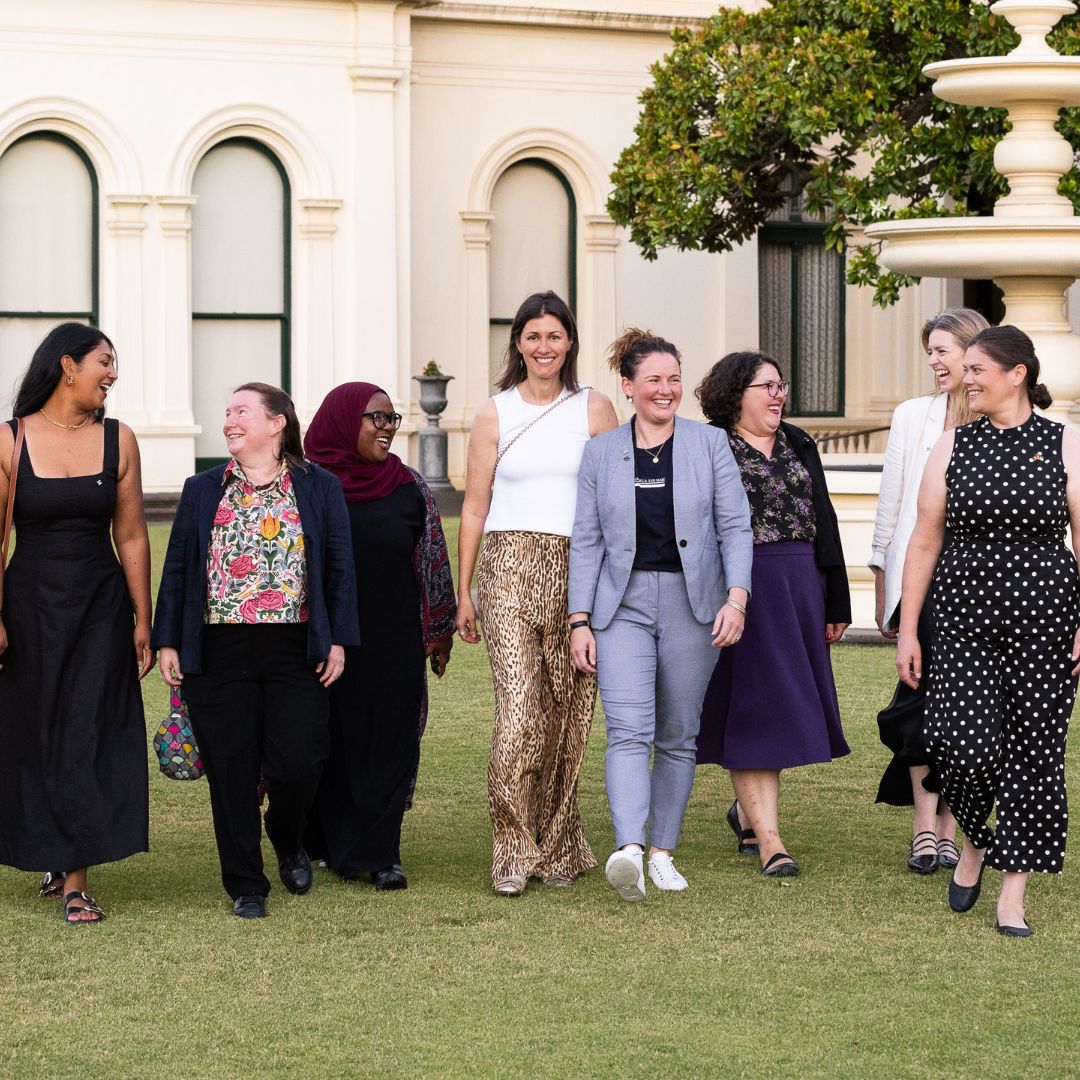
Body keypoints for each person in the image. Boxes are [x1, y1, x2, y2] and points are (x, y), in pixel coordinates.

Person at [897, 325, 1080, 938]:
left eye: (977, 369)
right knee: (962, 745)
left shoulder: (1065, 444)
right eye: (965, 368)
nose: (965, 378)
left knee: (1035, 754)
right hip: (964, 618)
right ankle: (975, 839)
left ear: (1017, 374)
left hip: (1046, 622)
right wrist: (908, 629)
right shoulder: (953, 445)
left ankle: (1012, 894)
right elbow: (925, 536)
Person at [152, 382, 358, 919]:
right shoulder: (203, 489)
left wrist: (337, 639)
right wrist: (168, 639)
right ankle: (246, 881)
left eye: (241, 411)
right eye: (226, 413)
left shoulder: (318, 487)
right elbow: (178, 567)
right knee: (231, 768)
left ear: (277, 424)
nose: (229, 421)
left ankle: (287, 839)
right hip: (219, 646)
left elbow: (338, 565)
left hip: (296, 645)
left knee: (300, 759)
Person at [568, 329, 752, 902]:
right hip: (619, 607)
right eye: (654, 380)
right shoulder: (601, 452)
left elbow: (735, 526)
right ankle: (628, 849)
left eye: (674, 379)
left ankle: (662, 852)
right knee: (627, 729)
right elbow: (587, 539)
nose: (666, 389)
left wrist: (737, 599)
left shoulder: (710, 445)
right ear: (629, 387)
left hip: (694, 603)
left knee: (677, 735)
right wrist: (579, 620)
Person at [456, 290, 618, 896]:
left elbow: (610, 504)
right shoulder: (494, 411)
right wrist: (465, 589)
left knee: (567, 715)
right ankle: (511, 849)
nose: (543, 347)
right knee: (519, 711)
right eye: (532, 336)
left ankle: (557, 845)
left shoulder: (595, 408)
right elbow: (474, 506)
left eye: (554, 336)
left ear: (569, 342)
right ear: (517, 344)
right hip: (507, 566)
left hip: (576, 567)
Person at [0, 323, 153, 924]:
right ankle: (51, 853)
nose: (112, 373)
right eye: (104, 362)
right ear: (67, 367)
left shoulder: (120, 439)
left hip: (99, 606)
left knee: (90, 729)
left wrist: (143, 617)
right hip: (30, 607)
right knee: (37, 730)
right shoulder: (11, 441)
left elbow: (133, 533)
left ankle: (75, 881)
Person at [695, 351, 851, 878]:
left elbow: (823, 518)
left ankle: (746, 811)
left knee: (782, 704)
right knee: (754, 708)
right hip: (740, 587)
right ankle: (771, 841)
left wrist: (836, 598)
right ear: (735, 394)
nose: (778, 394)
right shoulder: (709, 446)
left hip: (800, 584)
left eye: (780, 385)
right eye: (766, 386)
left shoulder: (799, 442)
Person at [302, 381, 456, 890]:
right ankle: (321, 840)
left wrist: (438, 630)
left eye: (393, 420)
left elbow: (432, 558)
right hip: (326, 640)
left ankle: (381, 851)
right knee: (329, 742)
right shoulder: (308, 486)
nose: (388, 429)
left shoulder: (408, 485)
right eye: (377, 418)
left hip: (394, 640)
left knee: (391, 741)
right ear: (345, 421)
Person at [870, 308, 987, 874]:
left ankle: (950, 825)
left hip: (980, 585)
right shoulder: (913, 415)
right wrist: (880, 582)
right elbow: (890, 504)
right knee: (917, 704)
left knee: (966, 709)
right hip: (920, 581)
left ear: (973, 352)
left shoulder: (1004, 419)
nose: (935, 362)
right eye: (931, 352)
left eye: (944, 350)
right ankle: (923, 824)